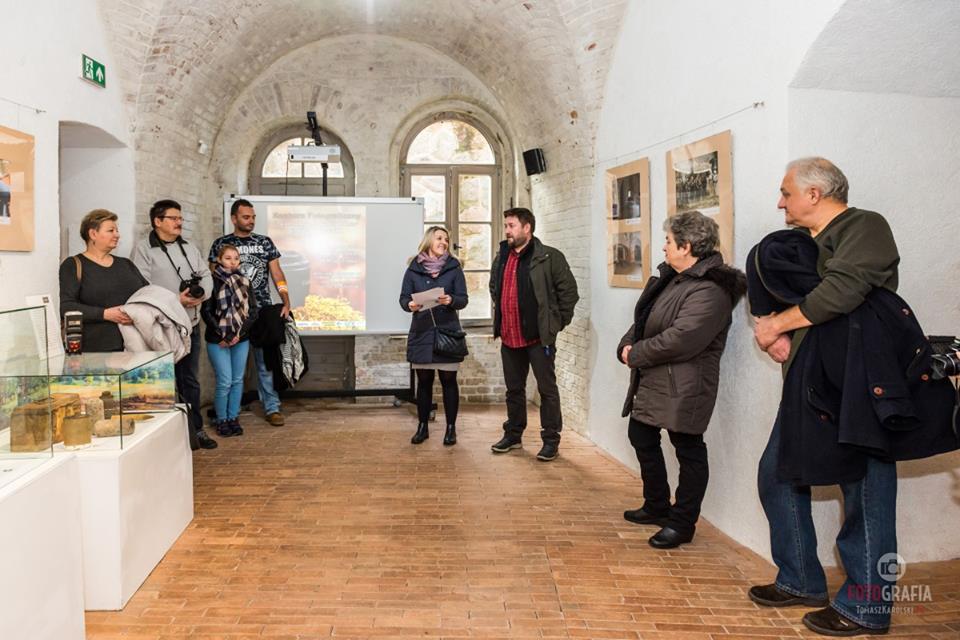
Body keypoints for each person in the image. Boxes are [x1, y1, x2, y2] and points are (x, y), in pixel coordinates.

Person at [750, 158, 901, 636]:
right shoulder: (803, 244)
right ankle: (800, 580)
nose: (780, 203)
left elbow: (844, 289)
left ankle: (867, 606)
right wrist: (777, 332)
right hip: (810, 384)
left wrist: (778, 323)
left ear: (815, 194)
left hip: (861, 383)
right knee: (776, 476)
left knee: (866, 491)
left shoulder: (866, 225)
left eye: (786, 192)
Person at [616, 211, 745, 549]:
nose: (664, 248)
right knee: (640, 434)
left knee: (688, 449)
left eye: (669, 242)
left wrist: (637, 353)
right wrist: (627, 344)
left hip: (685, 384)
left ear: (686, 246)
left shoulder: (711, 290)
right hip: (657, 377)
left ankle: (682, 522)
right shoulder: (674, 277)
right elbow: (647, 319)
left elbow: (682, 338)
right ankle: (657, 505)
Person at [488, 207, 579, 462]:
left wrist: (554, 325)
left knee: (547, 390)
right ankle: (513, 435)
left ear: (527, 228)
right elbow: (494, 286)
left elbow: (569, 294)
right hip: (509, 336)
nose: (507, 230)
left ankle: (551, 441)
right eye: (506, 225)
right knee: (514, 390)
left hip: (538, 338)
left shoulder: (549, 257)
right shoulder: (503, 255)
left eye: (511, 225)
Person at [131, 199, 216, 450]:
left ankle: (196, 430)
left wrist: (201, 295)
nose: (179, 222)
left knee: (190, 380)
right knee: (163, 380)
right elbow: (141, 286)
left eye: (181, 218)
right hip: (162, 327)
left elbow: (206, 274)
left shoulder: (188, 247)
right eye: (173, 218)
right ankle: (166, 437)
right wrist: (174, 299)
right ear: (158, 221)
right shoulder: (144, 249)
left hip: (190, 324)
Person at [209, 199, 290, 427]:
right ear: (234, 218)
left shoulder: (264, 242)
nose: (251, 221)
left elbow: (277, 273)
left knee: (265, 364)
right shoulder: (221, 244)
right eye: (246, 217)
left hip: (261, 310)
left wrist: (285, 299)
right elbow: (213, 280)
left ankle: (272, 407)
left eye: (253, 217)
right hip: (230, 316)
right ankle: (227, 412)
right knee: (233, 370)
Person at [399, 226, 468, 446]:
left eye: (446, 240)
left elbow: (463, 299)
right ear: (429, 240)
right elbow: (402, 299)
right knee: (424, 383)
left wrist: (451, 300)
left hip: (447, 332)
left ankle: (450, 429)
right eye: (439, 238)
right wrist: (410, 304)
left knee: (449, 381)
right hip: (422, 332)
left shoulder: (454, 268)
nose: (444, 242)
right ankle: (422, 427)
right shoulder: (413, 269)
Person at [59, 209, 148, 352]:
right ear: (93, 234)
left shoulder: (126, 264)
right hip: (95, 352)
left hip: (136, 348)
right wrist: (105, 314)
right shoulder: (73, 265)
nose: (117, 235)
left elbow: (147, 295)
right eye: (111, 230)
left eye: (117, 230)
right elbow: (66, 307)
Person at [201, 245, 258, 438]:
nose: (232, 261)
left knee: (237, 380)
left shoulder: (245, 281)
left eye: (235, 258)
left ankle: (234, 418)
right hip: (218, 340)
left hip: (240, 339)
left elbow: (253, 313)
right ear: (219, 259)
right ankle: (221, 419)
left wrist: (238, 335)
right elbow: (206, 312)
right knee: (225, 381)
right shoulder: (211, 281)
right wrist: (223, 335)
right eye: (227, 258)